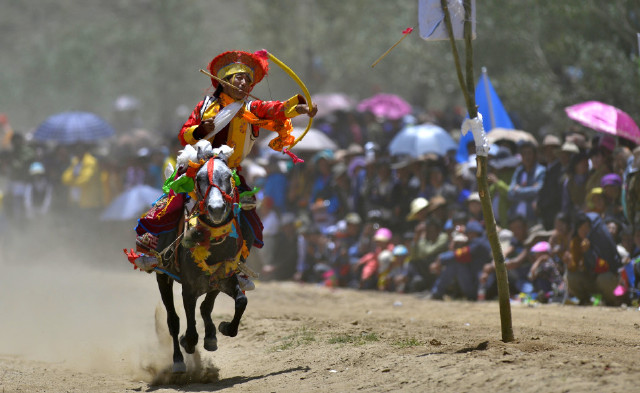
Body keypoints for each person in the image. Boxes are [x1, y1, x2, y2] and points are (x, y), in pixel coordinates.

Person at [133, 50, 317, 279]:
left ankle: (238, 265)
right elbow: (184, 135)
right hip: (198, 165)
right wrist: (201, 130)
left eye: (247, 80)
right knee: (174, 200)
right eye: (238, 78)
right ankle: (152, 248)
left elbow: (274, 109)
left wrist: (299, 108)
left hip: (229, 172)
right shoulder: (205, 106)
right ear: (226, 81)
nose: (243, 83)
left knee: (248, 212)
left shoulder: (250, 109)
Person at [567, 212, 622, 306]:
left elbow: (602, 265)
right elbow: (574, 266)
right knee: (572, 276)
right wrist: (570, 262)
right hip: (591, 281)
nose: (584, 231)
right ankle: (585, 300)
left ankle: (611, 301)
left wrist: (588, 252)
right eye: (581, 229)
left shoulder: (600, 239)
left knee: (604, 278)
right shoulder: (576, 242)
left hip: (607, 281)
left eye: (586, 228)